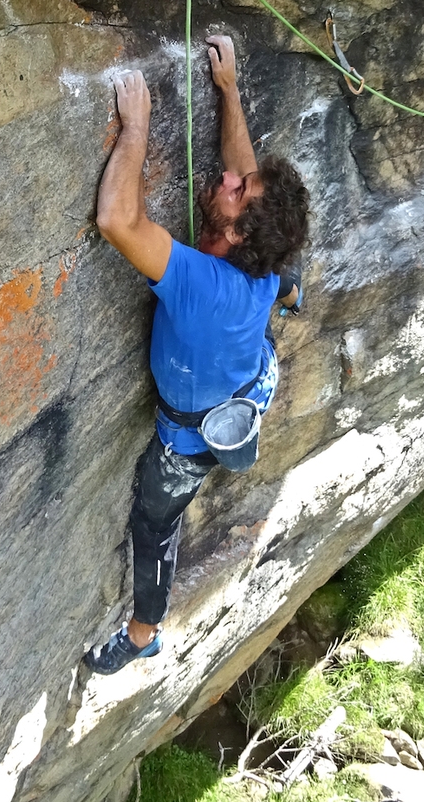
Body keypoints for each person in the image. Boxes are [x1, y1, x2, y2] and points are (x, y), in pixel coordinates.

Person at [86, 34, 310, 675]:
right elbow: (244, 175)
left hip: (191, 436)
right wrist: (229, 88)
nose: (230, 178)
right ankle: (291, 294)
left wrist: (137, 128)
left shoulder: (201, 284)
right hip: (248, 364)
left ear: (235, 236)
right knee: (280, 277)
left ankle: (143, 631)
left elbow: (117, 222)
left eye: (237, 191)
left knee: (154, 522)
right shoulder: (255, 255)